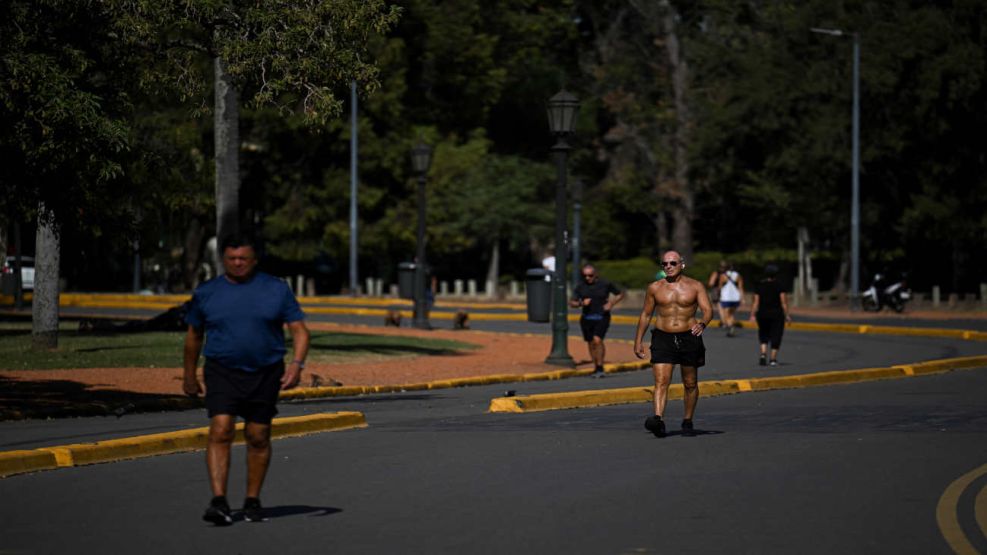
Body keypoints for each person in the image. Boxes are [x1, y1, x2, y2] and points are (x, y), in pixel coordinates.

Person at [183, 235, 310, 525]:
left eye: (244, 258)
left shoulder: (276, 289)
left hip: (265, 371)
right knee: (221, 428)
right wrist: (190, 374)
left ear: (254, 260)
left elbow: (300, 331)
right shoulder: (207, 292)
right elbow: (193, 337)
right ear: (223, 260)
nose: (238, 263)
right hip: (222, 369)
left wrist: (297, 365)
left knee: (257, 435)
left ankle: (252, 500)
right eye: (231, 258)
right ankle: (219, 501)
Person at [633, 251, 713, 437]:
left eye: (672, 263)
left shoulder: (695, 286)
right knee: (661, 381)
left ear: (681, 265)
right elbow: (646, 314)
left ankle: (687, 420)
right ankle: (658, 419)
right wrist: (638, 341)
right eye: (664, 264)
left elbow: (708, 310)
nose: (668, 266)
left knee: (690, 383)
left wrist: (703, 323)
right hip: (663, 337)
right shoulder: (654, 287)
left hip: (689, 336)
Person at [569, 264, 625, 377]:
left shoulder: (605, 284)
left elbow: (620, 294)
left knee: (597, 340)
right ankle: (596, 366)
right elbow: (571, 302)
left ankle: (600, 367)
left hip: (602, 316)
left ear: (595, 275)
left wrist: (611, 303)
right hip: (586, 318)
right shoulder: (580, 286)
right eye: (584, 275)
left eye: (590, 275)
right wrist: (581, 303)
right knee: (590, 342)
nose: (587, 278)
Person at [748, 263, 791, 367]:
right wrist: (787, 315)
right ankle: (772, 359)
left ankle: (763, 354)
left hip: (762, 314)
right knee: (776, 334)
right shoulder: (780, 286)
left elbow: (756, 303)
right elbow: (783, 303)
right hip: (776, 314)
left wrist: (752, 315)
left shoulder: (760, 286)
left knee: (763, 334)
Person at [714, 260, 744, 337]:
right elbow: (740, 287)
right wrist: (742, 298)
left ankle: (731, 328)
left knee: (727, 315)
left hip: (726, 297)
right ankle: (732, 326)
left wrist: (718, 295)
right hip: (735, 297)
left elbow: (720, 287)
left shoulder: (723, 275)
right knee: (731, 314)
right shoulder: (738, 275)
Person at [706, 261, 726, 327]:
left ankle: (724, 322)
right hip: (728, 292)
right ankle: (727, 320)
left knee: (719, 306)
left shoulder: (716, 273)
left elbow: (711, 283)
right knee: (725, 307)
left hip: (717, 290)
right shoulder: (728, 274)